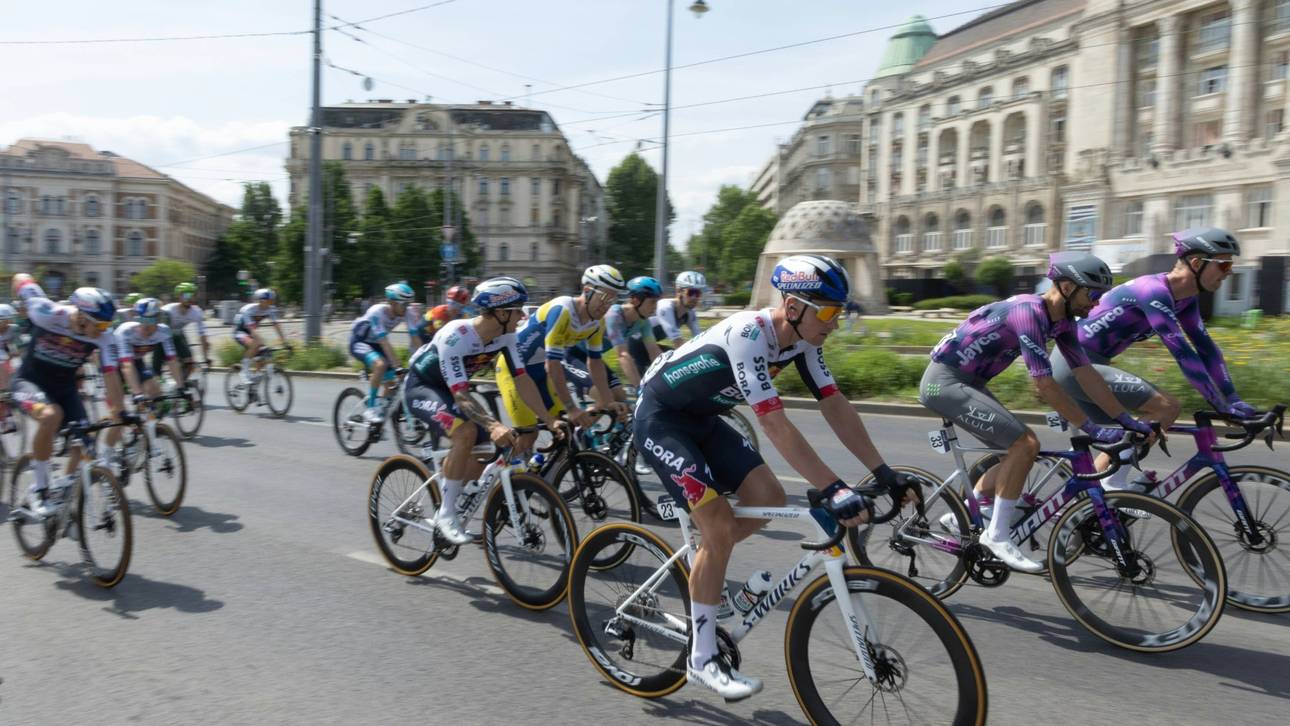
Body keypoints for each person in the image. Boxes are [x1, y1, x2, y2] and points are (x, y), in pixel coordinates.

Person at [634, 254, 911, 700]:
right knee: (720, 527)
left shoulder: (804, 342)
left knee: (770, 496)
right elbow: (776, 425)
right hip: (661, 419)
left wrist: (882, 471)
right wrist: (834, 487)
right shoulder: (750, 333)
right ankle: (701, 658)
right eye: (828, 312)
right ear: (795, 307)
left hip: (703, 419)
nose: (835, 324)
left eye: (839, 312)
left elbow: (835, 404)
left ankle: (706, 564)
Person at [918, 252, 1155, 573]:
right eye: (1093, 294)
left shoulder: (1063, 323)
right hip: (943, 384)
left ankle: (960, 513)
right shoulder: (1029, 312)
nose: (1096, 305)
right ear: (1068, 287)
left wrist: (1124, 420)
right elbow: (1043, 384)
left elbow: (1087, 375)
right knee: (1024, 444)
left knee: (1014, 452)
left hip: (969, 381)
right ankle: (997, 536)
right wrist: (1092, 428)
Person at [1053, 227, 1254, 488]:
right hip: (1073, 366)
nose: (1229, 274)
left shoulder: (1185, 299)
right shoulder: (1153, 291)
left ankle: (1091, 504)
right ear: (1196, 263)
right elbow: (1182, 351)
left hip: (1093, 365)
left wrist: (1233, 398)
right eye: (1224, 265)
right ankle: (1115, 487)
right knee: (1165, 407)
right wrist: (1219, 404)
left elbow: (1206, 349)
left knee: (1124, 440)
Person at [404, 277, 562, 543]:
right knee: (465, 432)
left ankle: (451, 478)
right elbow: (462, 396)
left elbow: (522, 381)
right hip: (423, 387)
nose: (522, 315)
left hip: (453, 391)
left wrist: (549, 420)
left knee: (490, 454)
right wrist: (493, 425)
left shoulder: (506, 337)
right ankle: (446, 513)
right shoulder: (457, 336)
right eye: (517, 310)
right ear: (500, 313)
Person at [7, 280, 125, 518]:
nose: (104, 329)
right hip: (29, 382)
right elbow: (20, 279)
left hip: (64, 388)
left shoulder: (104, 337)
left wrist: (120, 411)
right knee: (51, 415)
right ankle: (40, 489)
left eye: (107, 324)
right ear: (82, 316)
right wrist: (20, 317)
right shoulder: (46, 312)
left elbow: (111, 376)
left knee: (85, 441)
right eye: (100, 324)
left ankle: (64, 493)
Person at [496, 265, 630, 453]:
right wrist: (571, 407)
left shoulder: (596, 322)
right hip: (514, 370)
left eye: (613, 298)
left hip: (539, 370)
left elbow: (595, 362)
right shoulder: (563, 310)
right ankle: (502, 477)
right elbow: (553, 365)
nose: (607, 304)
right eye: (604, 297)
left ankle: (541, 478)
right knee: (529, 436)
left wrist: (608, 401)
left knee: (565, 430)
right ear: (587, 291)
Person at [116, 298, 187, 438]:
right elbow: (126, 365)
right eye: (143, 321)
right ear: (137, 318)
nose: (146, 326)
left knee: (155, 391)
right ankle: (110, 453)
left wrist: (181, 386)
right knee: (118, 415)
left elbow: (172, 361)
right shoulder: (126, 331)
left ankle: (144, 428)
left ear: (158, 320)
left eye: (151, 321)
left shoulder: (164, 331)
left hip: (136, 361)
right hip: (114, 364)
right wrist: (137, 393)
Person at [349, 282, 415, 423]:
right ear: (391, 302)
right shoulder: (376, 312)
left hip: (376, 344)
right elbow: (384, 342)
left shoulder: (406, 312)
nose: (406, 308)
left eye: (408, 304)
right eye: (403, 304)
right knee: (380, 365)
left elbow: (415, 338)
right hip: (360, 341)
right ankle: (371, 409)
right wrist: (397, 366)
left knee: (392, 385)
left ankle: (378, 417)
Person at [154, 282, 211, 381]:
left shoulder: (196, 312)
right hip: (161, 336)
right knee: (156, 371)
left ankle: (180, 385)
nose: (190, 298)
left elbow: (203, 336)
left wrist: (205, 358)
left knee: (190, 363)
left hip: (178, 335)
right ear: (179, 297)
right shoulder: (168, 311)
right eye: (186, 295)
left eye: (193, 295)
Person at [232, 288, 290, 384]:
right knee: (256, 344)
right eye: (269, 301)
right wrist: (260, 342)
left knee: (262, 354)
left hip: (251, 332)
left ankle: (254, 382)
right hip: (240, 332)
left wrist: (285, 342)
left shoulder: (270, 310)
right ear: (261, 301)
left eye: (272, 301)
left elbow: (276, 326)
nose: (271, 304)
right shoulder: (249, 310)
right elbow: (252, 330)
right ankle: (244, 371)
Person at [649, 270, 705, 351]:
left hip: (649, 345)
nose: (694, 297)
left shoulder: (690, 313)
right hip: (634, 344)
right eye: (691, 292)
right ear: (679, 291)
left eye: (698, 293)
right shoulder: (665, 307)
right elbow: (677, 342)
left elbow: (699, 338)